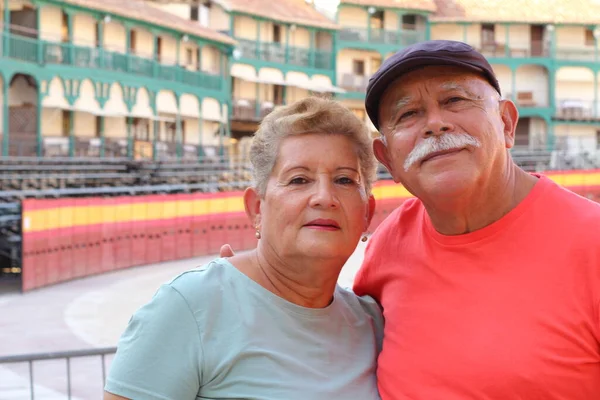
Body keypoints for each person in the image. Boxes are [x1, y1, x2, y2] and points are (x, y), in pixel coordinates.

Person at [352, 40, 600, 399]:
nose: (435, 124)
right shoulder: (388, 244)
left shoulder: (592, 243)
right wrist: (248, 282)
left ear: (506, 123)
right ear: (387, 158)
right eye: (408, 114)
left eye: (455, 101)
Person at [103, 97, 384, 400]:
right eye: (299, 179)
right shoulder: (192, 308)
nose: (324, 197)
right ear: (256, 209)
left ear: (367, 213)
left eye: (344, 179)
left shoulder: (373, 324)